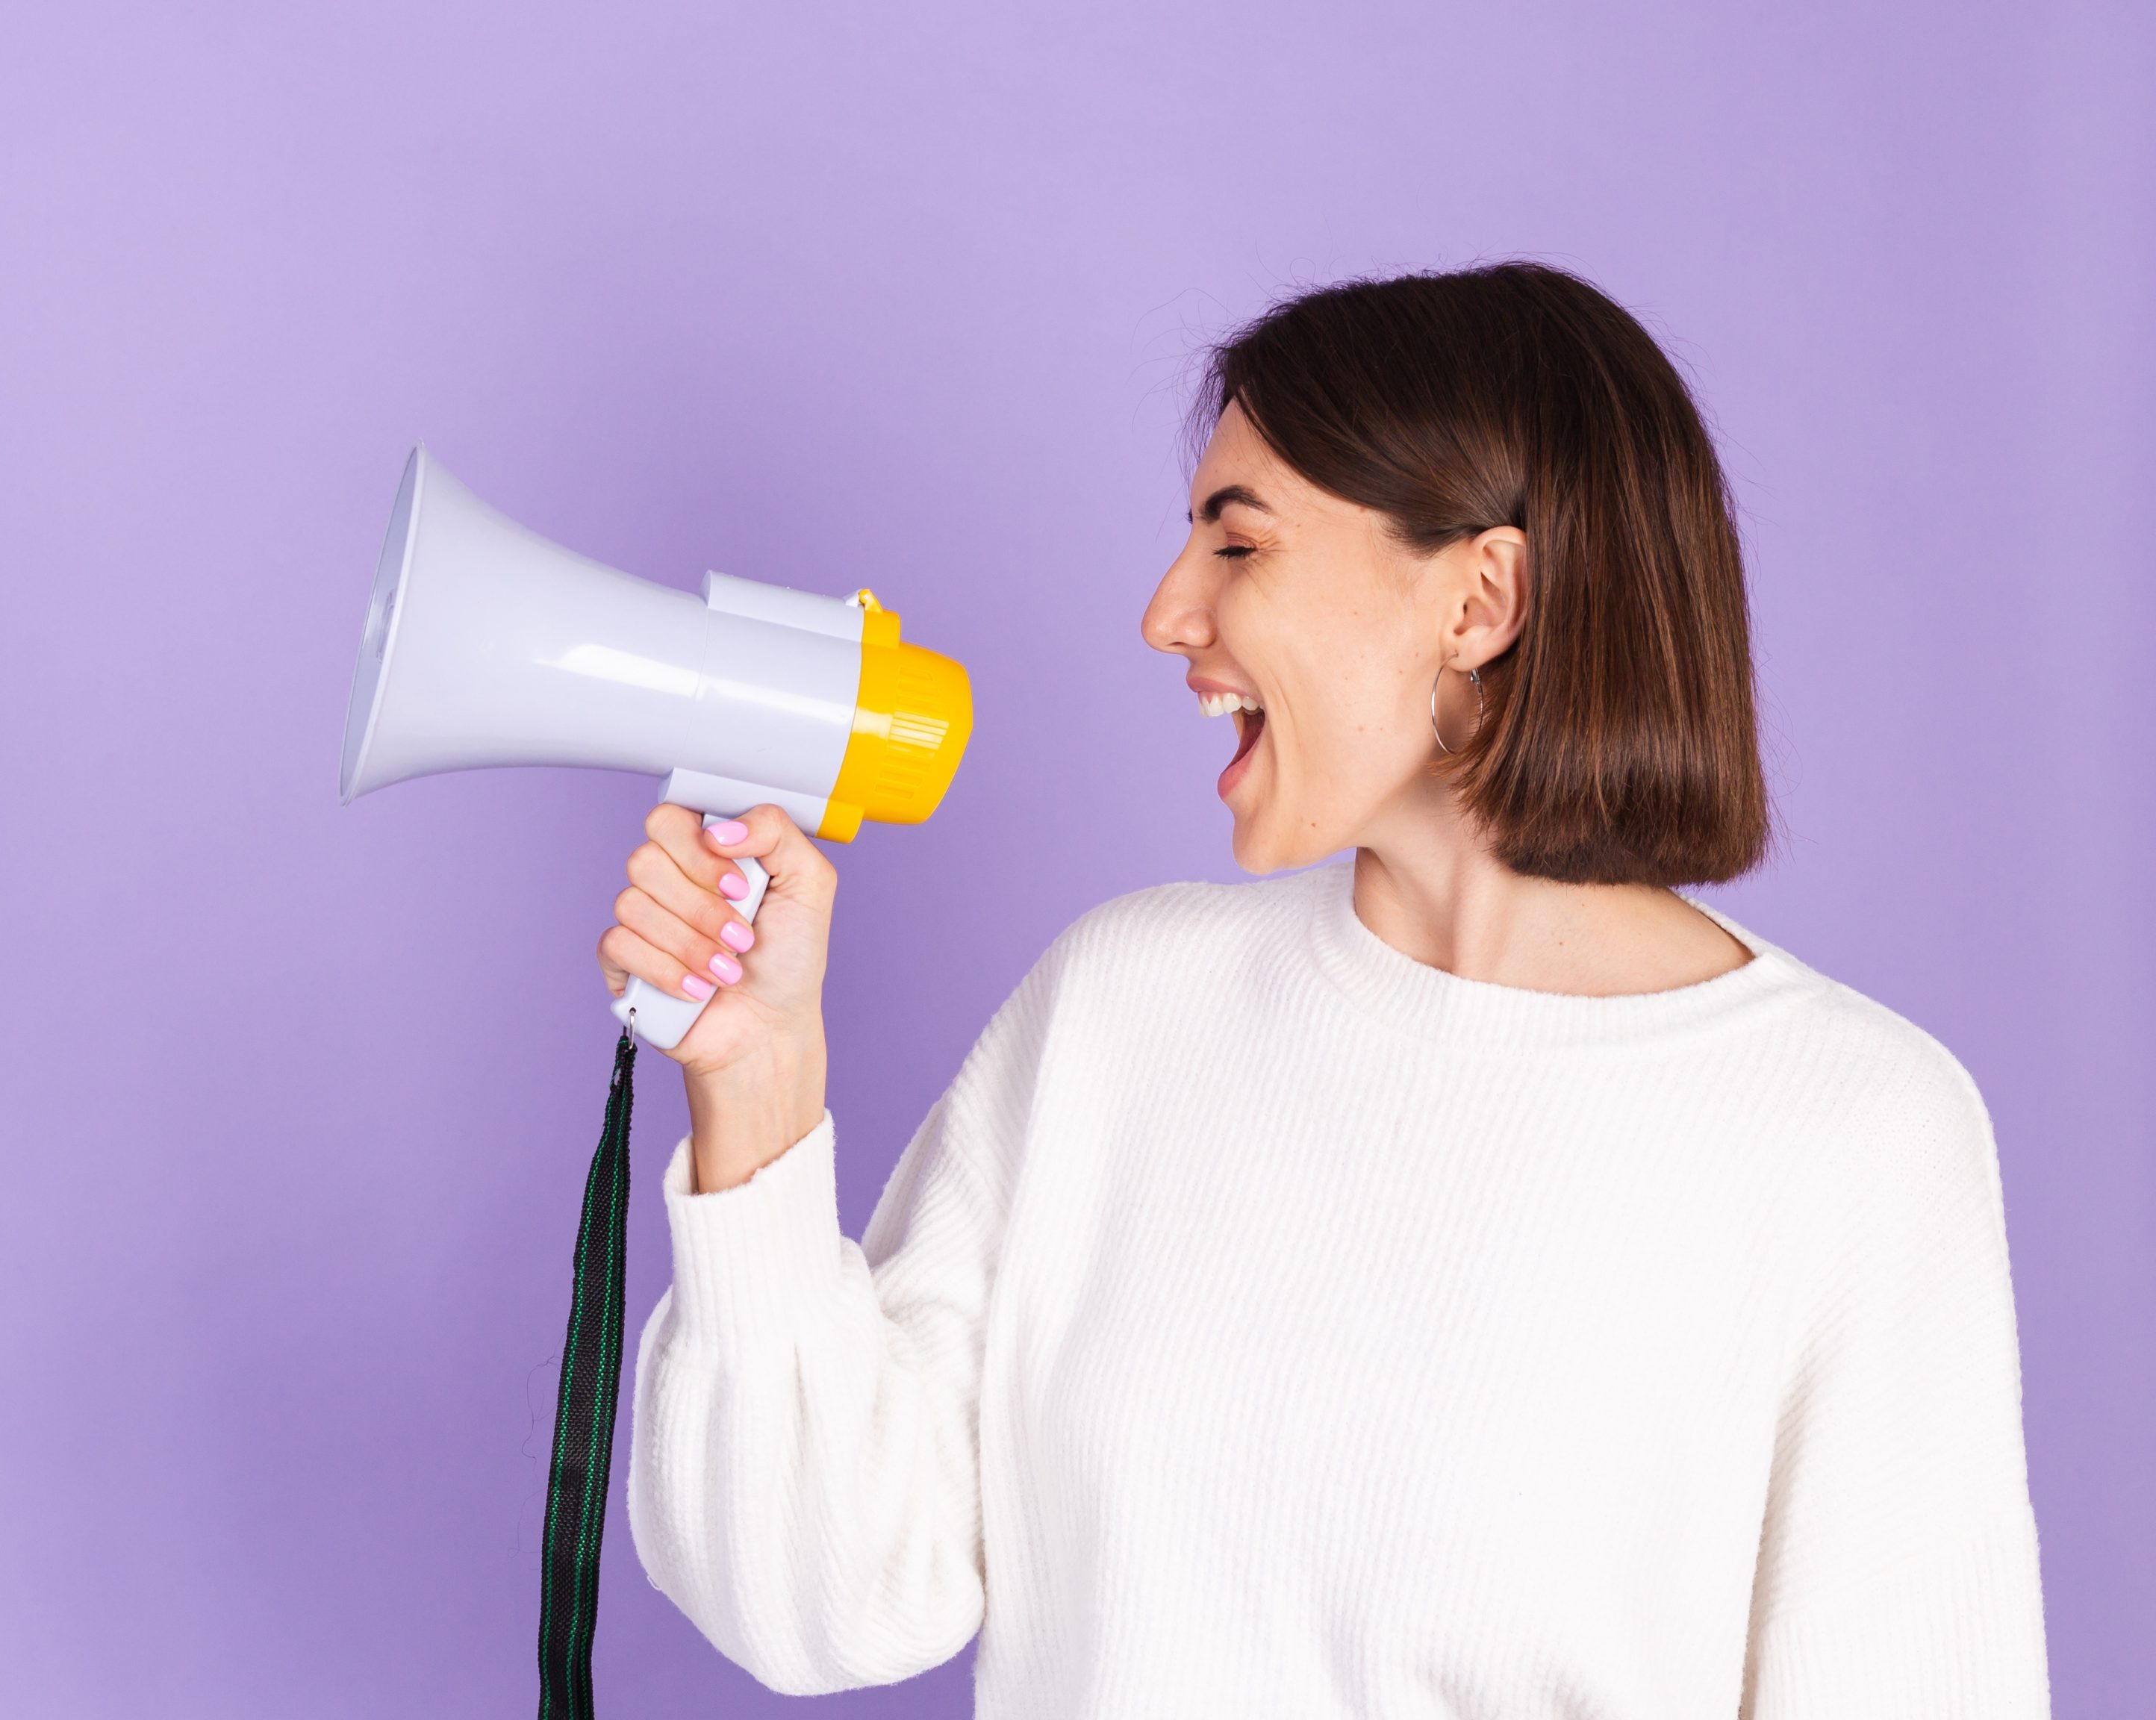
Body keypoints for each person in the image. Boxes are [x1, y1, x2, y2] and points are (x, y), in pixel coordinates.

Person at [593, 263, 2047, 1717]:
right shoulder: (1120, 1008)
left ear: (1479, 599)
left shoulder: (1853, 1131)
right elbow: (821, 1596)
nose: (1168, 614)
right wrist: (756, 1084)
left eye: (1238, 545)